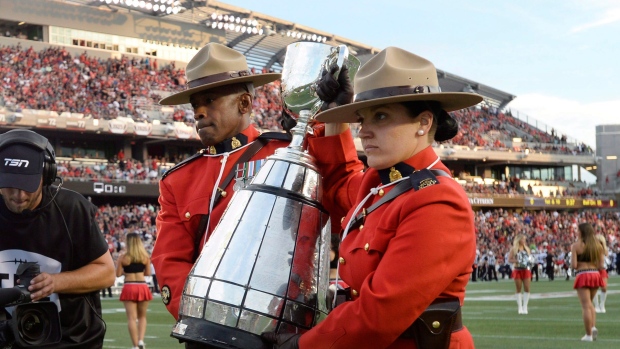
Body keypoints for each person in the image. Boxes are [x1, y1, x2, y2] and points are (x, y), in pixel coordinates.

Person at [262, 46, 481, 348]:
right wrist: (333, 115)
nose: (364, 131)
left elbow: (378, 315)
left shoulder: (438, 201)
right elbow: (339, 181)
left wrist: (302, 346)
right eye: (362, 119)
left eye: (380, 116)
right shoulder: (380, 186)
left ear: (424, 122)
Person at [150, 43, 290, 347]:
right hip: (208, 333)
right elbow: (169, 260)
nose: (198, 112)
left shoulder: (285, 154)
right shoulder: (178, 179)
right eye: (195, 104)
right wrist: (201, 317)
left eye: (210, 100)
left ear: (244, 103)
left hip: (279, 328)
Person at [0, 129, 115, 348]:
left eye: (28, 185)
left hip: (72, 340)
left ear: (48, 175)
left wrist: (56, 282)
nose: (19, 195)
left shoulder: (72, 209)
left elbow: (107, 273)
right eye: (10, 185)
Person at [116, 232, 153, 349]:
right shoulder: (145, 257)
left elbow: (117, 274)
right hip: (142, 286)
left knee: (132, 318)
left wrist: (126, 272)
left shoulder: (123, 257)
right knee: (142, 316)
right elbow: (148, 273)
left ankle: (135, 345)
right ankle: (141, 340)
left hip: (129, 286)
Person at [571, 223, 605, 342]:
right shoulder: (598, 246)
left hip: (583, 275)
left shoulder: (576, 246)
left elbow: (574, 265)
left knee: (585, 306)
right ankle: (593, 327)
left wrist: (582, 264)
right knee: (590, 304)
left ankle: (588, 335)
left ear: (581, 232)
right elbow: (601, 265)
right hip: (595, 274)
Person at [508, 234, 533, 314]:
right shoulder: (514, 249)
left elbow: (529, 258)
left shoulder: (527, 249)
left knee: (527, 288)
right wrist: (518, 261)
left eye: (525, 239)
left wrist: (529, 261)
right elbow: (509, 259)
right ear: (519, 240)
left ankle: (525, 306)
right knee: (518, 288)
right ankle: (520, 307)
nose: (524, 241)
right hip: (517, 269)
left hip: (526, 270)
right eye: (523, 239)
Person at [592, 234, 609, 313]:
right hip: (594, 270)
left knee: (604, 288)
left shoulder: (605, 250)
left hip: (602, 270)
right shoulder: (592, 250)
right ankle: (596, 305)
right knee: (594, 288)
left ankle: (602, 305)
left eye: (600, 242)